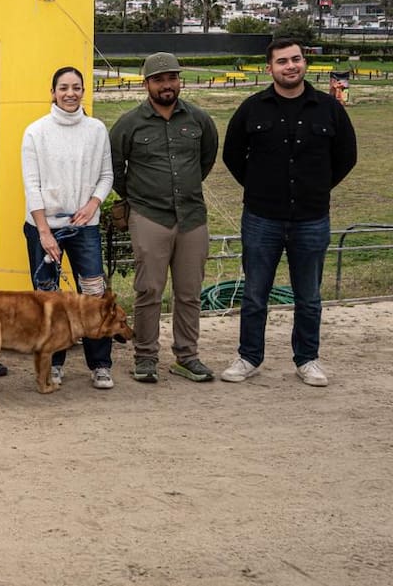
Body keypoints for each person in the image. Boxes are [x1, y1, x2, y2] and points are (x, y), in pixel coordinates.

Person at [220, 39, 357, 386]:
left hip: (311, 219)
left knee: (309, 297)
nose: (290, 66)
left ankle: (307, 359)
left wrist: (317, 188)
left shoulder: (329, 108)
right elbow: (233, 155)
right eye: (282, 61)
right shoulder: (252, 109)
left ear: (304, 63)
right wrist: (258, 189)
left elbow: (347, 156)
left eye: (296, 59)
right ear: (270, 68)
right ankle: (249, 357)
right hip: (261, 218)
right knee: (254, 294)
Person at [109, 52, 218, 384]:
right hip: (149, 216)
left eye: (172, 78)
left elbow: (206, 160)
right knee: (149, 290)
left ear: (179, 80)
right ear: (146, 84)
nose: (167, 85)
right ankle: (145, 357)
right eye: (159, 79)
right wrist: (139, 196)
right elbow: (113, 168)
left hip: (191, 217)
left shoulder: (199, 120)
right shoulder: (129, 124)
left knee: (189, 292)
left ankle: (187, 356)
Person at [20, 67, 116, 388]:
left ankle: (100, 363)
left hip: (85, 227)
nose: (70, 93)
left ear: (84, 91)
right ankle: (54, 361)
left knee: (93, 294)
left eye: (76, 87)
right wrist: (45, 232)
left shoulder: (97, 129)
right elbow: (32, 185)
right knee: (50, 298)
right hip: (43, 227)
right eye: (63, 87)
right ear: (53, 92)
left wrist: (92, 205)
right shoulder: (36, 132)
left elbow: (106, 175)